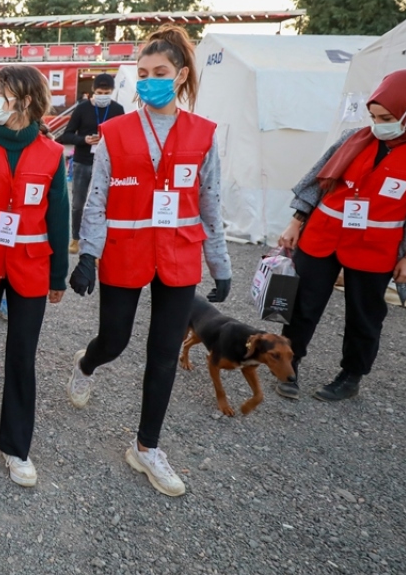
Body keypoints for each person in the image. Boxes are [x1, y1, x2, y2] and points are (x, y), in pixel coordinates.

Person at [64, 26, 232, 498]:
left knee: (162, 355)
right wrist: (87, 255)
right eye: (141, 73)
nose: (149, 81)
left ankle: (147, 448)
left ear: (180, 76)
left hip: (177, 256)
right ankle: (86, 364)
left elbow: (209, 201)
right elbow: (96, 200)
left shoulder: (202, 134)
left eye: (159, 73)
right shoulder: (115, 133)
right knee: (115, 341)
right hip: (125, 252)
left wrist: (220, 264)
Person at [275, 70, 406, 403]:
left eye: (388, 118)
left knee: (364, 314)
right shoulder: (355, 138)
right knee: (302, 305)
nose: (378, 124)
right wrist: (295, 222)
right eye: (374, 116)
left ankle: (351, 375)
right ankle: (290, 365)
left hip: (375, 247)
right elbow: (319, 182)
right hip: (323, 234)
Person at [0, 65, 69, 487]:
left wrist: (58, 276)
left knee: (22, 355)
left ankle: (16, 447)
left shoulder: (52, 153)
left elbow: (58, 215)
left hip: (30, 264)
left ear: (24, 100)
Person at [57, 73, 125, 254]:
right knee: (78, 203)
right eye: (100, 91)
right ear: (93, 91)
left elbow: (122, 137)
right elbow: (67, 135)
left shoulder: (118, 109)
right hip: (83, 162)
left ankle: (100, 240)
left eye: (107, 92)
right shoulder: (82, 109)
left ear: (112, 91)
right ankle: (76, 238)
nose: (103, 95)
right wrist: (84, 139)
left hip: (106, 163)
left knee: (104, 204)